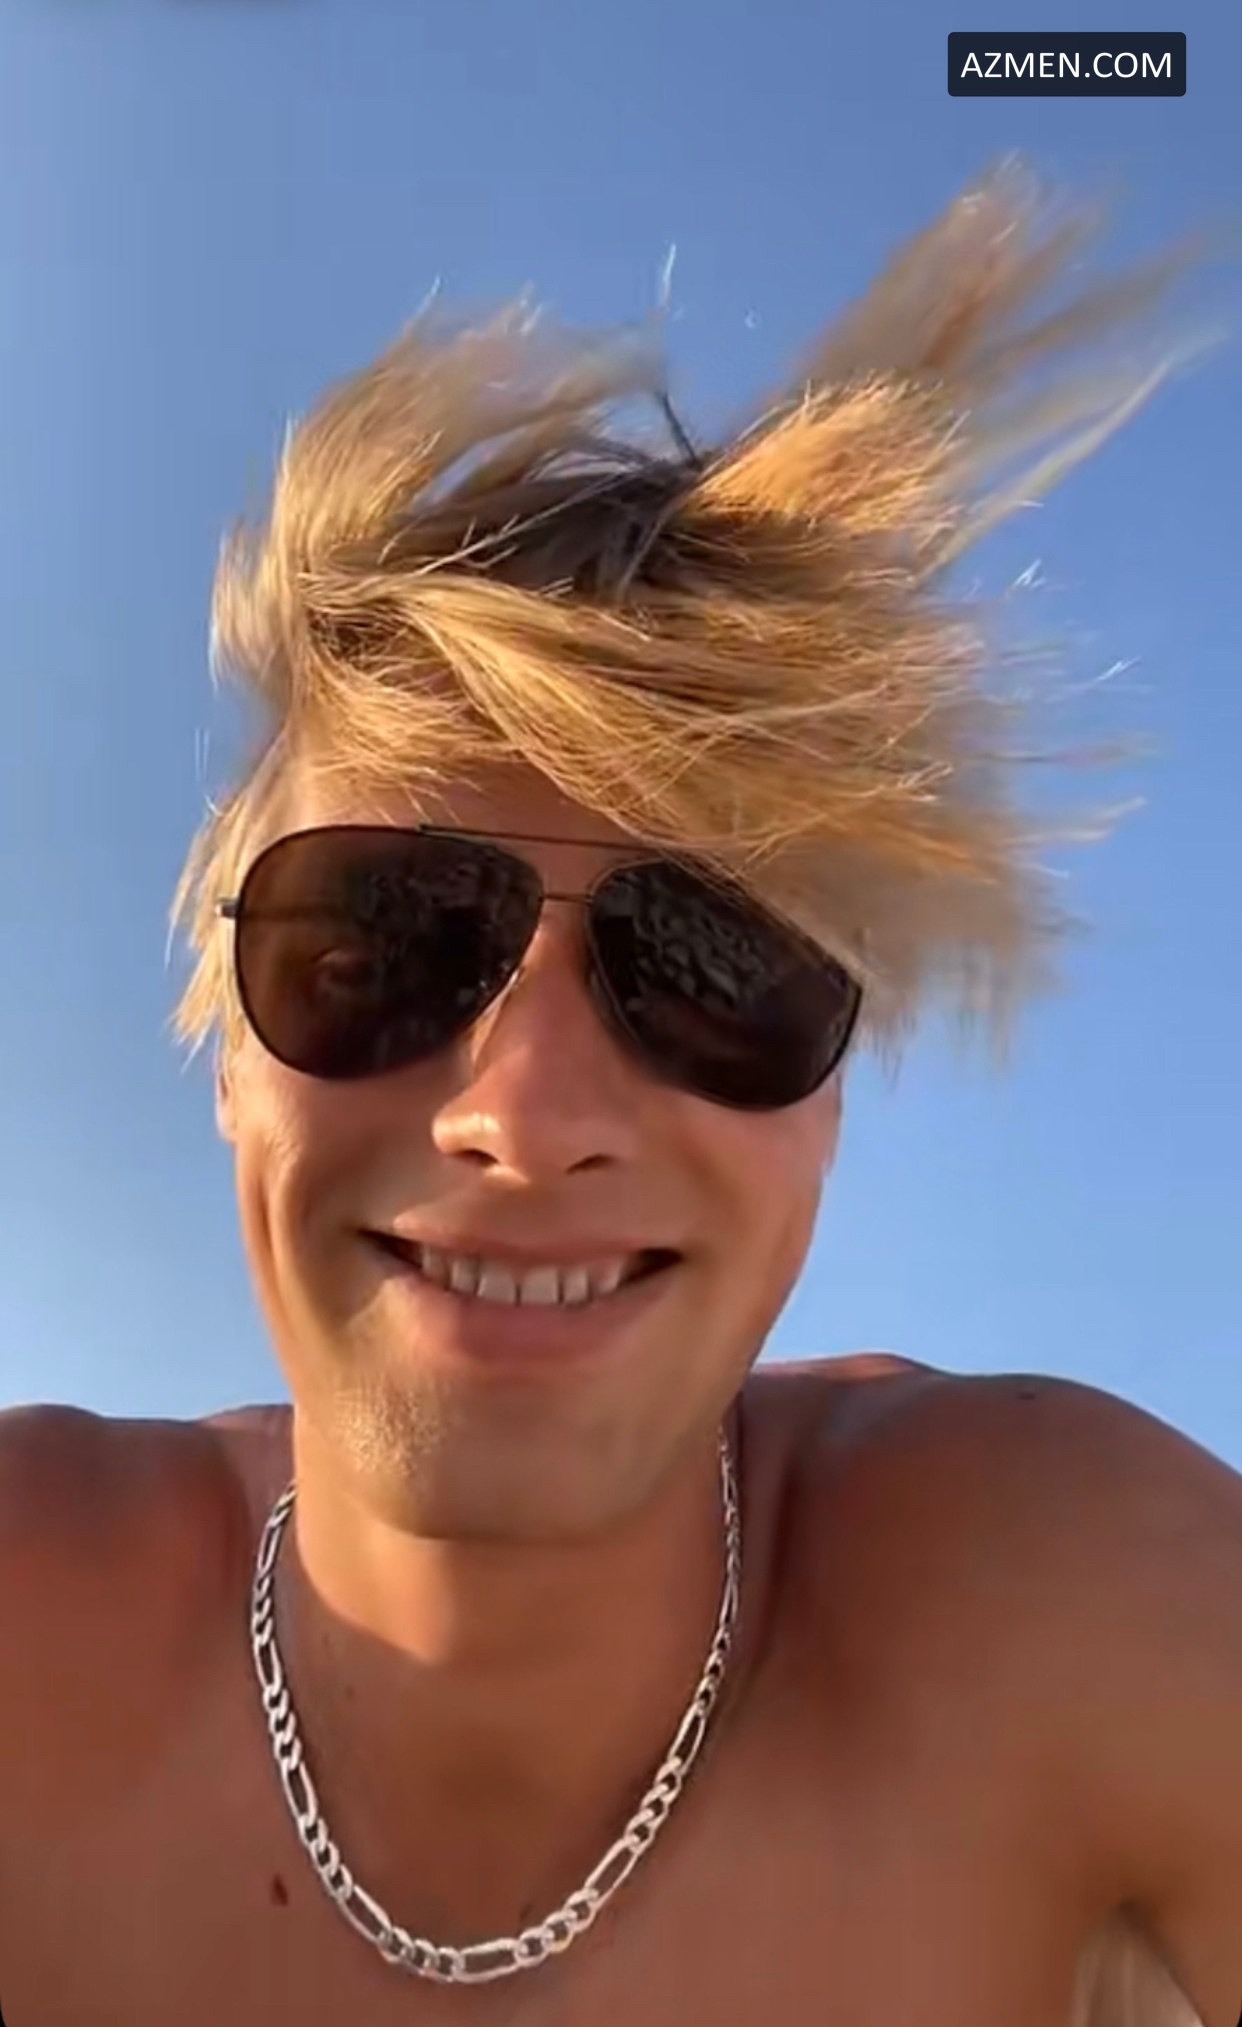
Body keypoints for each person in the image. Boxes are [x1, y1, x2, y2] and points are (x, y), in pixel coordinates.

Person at [0, 161, 1237, 2027]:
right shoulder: (28, 1623)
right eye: (383, 939)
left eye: (713, 965)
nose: (527, 1114)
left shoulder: (1074, 1597)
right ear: (225, 1052)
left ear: (827, 1102)